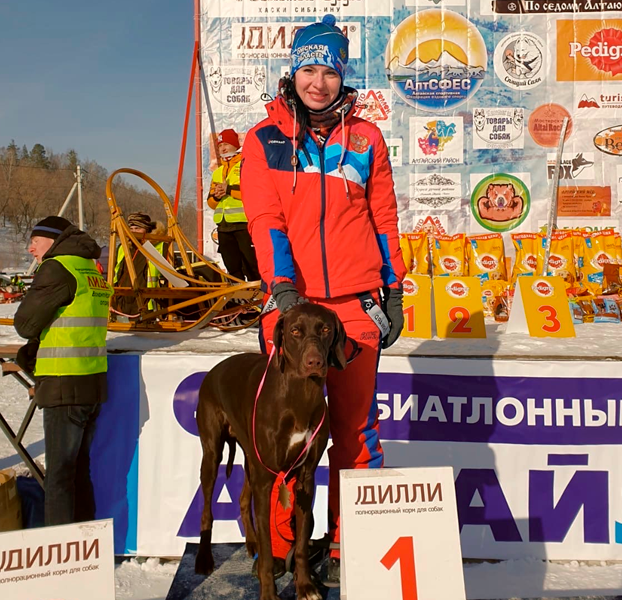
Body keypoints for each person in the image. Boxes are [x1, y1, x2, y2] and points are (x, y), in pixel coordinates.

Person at [240, 14, 407, 586]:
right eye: (308, 68)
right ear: (292, 71)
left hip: (356, 310)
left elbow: (383, 218)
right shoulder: (264, 141)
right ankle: (286, 550)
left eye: (329, 71)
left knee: (355, 432)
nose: (318, 82)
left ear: (343, 76)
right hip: (294, 313)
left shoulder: (366, 139)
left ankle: (350, 544)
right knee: (283, 442)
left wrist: (393, 287)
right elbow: (266, 220)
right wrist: (284, 294)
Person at [13, 216, 111, 526]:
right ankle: (86, 550)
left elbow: (24, 323)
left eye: (36, 241)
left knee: (58, 477)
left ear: (53, 241)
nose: (31, 248)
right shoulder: (89, 268)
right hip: (91, 381)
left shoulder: (57, 268)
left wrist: (31, 342)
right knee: (79, 470)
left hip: (63, 383)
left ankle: (60, 560)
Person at [208, 129, 260, 282]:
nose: (223, 148)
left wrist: (228, 190)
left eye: (226, 144)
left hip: (243, 225)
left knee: (252, 267)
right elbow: (210, 203)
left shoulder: (246, 165)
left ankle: (259, 300)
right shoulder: (217, 172)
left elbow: (252, 193)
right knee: (232, 269)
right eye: (220, 145)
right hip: (224, 227)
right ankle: (241, 301)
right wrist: (216, 196)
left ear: (235, 145)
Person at [113, 211, 165, 315]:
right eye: (131, 229)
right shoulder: (123, 247)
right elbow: (116, 273)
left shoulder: (159, 247)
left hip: (147, 302)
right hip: (122, 301)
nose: (133, 232)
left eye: (137, 228)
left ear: (146, 230)